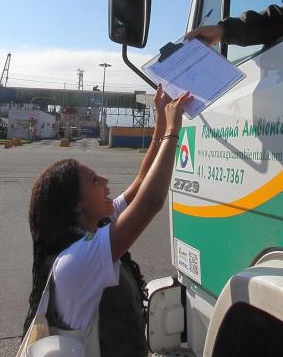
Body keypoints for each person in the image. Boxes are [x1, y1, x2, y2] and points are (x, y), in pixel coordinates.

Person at [22, 86, 192, 357]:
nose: (105, 182)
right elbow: (149, 203)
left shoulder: (92, 227)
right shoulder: (76, 261)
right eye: (94, 180)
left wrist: (160, 116)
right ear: (77, 205)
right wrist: (173, 131)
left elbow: (141, 182)